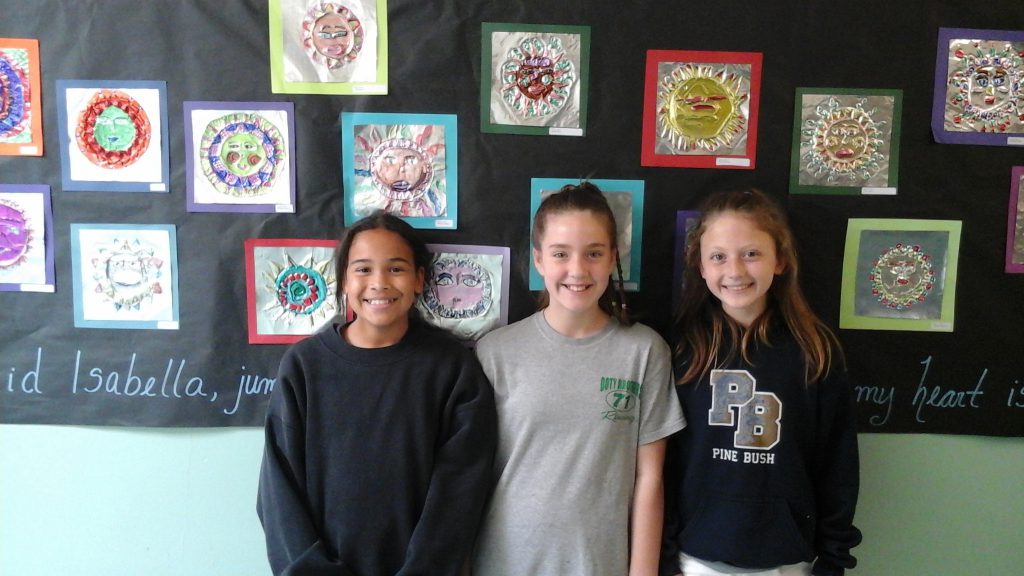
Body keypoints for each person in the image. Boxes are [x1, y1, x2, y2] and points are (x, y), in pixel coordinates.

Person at [256, 211, 497, 576]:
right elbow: (278, 491)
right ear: (344, 281)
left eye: (396, 269)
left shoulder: (451, 368)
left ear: (419, 279)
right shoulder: (305, 366)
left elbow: (460, 491)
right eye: (363, 269)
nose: (379, 283)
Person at [472, 182, 686, 576]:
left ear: (612, 258)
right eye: (560, 254)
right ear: (538, 260)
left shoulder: (644, 352)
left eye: (593, 253)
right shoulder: (495, 352)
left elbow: (650, 479)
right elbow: (470, 475)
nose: (577, 270)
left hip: (599, 564)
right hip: (504, 562)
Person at [662, 189, 862, 576]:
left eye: (751, 254)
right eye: (718, 257)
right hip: (695, 558)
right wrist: (664, 556)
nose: (735, 271)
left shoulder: (815, 351)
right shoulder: (679, 349)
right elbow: (665, 462)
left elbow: (838, 465)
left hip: (789, 559)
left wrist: (834, 558)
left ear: (781, 260)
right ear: (700, 266)